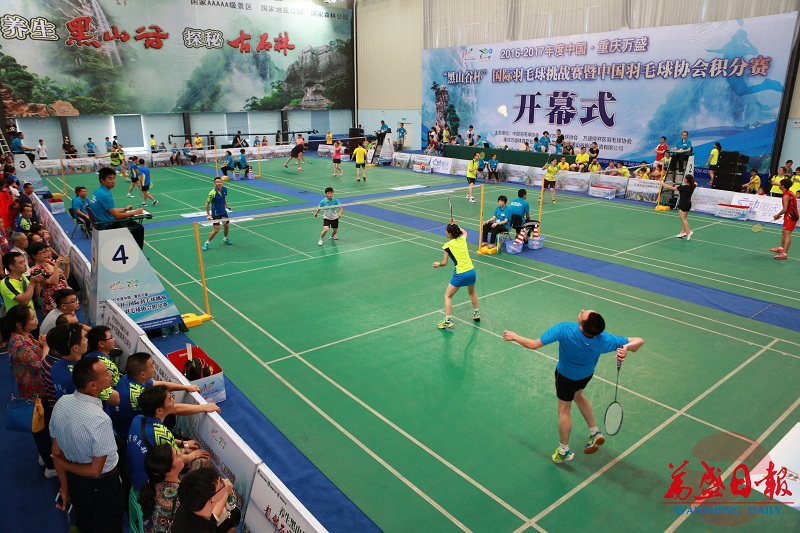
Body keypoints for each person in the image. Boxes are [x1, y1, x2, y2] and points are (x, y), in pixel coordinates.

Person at [503, 310, 644, 463]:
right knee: (578, 395)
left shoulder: (564, 330)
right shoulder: (604, 340)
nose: (582, 310)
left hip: (566, 376)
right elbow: (638, 341)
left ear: (581, 326)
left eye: (584, 313)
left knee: (564, 410)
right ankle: (594, 432)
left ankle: (563, 450)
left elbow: (533, 345)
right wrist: (626, 348)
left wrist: (515, 336)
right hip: (585, 375)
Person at [49, 357, 124, 533]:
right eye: (105, 373)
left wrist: (64, 487)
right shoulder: (100, 420)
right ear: (92, 385)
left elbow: (56, 452)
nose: (110, 374)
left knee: (86, 521)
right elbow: (95, 470)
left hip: (75, 483)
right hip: (103, 487)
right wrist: (64, 464)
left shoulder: (62, 402)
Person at [2, 304, 56, 478]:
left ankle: (45, 454)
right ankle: (50, 465)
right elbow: (41, 365)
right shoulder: (20, 344)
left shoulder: (25, 337)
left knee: (43, 427)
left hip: (37, 389)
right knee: (41, 428)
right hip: (35, 393)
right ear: (19, 324)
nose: (36, 320)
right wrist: (45, 347)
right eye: (32, 318)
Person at [127, 385, 211, 492]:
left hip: (135, 474)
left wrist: (183, 443)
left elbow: (157, 440)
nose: (173, 401)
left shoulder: (137, 419)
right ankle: (199, 493)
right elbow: (180, 460)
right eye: (170, 399)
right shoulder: (161, 433)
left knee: (189, 448)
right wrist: (194, 455)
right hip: (150, 485)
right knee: (204, 457)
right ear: (159, 411)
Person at [111, 352, 206, 438]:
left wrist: (186, 387)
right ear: (143, 374)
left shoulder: (127, 378)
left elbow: (157, 384)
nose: (154, 367)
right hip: (130, 434)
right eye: (151, 365)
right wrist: (204, 407)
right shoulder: (137, 395)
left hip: (128, 422)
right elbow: (174, 409)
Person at [433, 219, 479, 329]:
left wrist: (439, 264)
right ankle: (476, 313)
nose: (445, 232)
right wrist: (455, 225)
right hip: (471, 272)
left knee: (447, 296)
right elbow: (465, 232)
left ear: (449, 234)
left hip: (460, 274)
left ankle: (448, 320)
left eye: (446, 231)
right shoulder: (462, 239)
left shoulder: (447, 246)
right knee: (472, 292)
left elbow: (444, 263)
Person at [170, 467, 241, 533]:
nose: (225, 481)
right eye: (221, 483)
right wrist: (226, 493)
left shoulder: (186, 504)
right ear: (212, 500)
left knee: (235, 514)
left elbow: (213, 517)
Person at [89, 168, 146, 249]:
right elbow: (117, 216)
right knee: (138, 228)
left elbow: (109, 210)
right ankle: (137, 253)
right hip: (107, 225)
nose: (113, 181)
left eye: (114, 178)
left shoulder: (98, 191)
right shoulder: (105, 195)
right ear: (102, 180)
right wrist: (135, 212)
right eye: (110, 179)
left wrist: (125, 209)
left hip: (100, 223)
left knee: (130, 221)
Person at [138, 444, 183, 533]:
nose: (180, 455)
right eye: (177, 455)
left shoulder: (154, 481)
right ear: (169, 471)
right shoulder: (177, 498)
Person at [28, 241, 70, 315]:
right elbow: (53, 282)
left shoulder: (50, 262)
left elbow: (65, 276)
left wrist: (67, 265)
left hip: (63, 292)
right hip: (52, 297)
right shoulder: (35, 270)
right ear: (34, 256)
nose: (45, 254)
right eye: (42, 252)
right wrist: (56, 266)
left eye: (46, 251)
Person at [771, 178, 799, 260]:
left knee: (787, 234)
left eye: (780, 184)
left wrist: (777, 215)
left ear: (783, 186)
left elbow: (785, 209)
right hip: (790, 215)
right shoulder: (790, 192)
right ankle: (781, 248)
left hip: (791, 217)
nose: (779, 185)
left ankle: (784, 254)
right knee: (784, 232)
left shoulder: (786, 195)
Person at [662, 174, 697, 239]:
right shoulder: (693, 186)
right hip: (688, 204)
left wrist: (664, 184)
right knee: (684, 219)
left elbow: (672, 188)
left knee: (683, 219)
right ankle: (683, 232)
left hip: (683, 204)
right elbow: (696, 183)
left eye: (685, 178)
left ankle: (688, 232)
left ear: (686, 180)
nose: (684, 179)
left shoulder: (682, 187)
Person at [203, 177, 232, 251]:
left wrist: (226, 205)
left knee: (226, 226)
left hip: (223, 212)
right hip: (216, 214)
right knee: (216, 230)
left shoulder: (224, 189)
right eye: (217, 182)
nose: (219, 183)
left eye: (220, 182)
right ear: (214, 183)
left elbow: (224, 197)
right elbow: (207, 203)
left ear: (222, 182)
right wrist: (208, 214)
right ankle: (207, 243)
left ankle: (225, 238)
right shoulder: (212, 193)